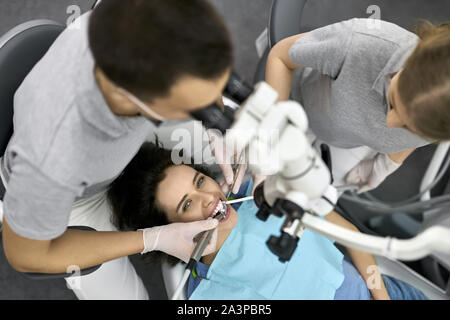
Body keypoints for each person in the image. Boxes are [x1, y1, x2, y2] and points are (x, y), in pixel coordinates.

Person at [0, 0, 234, 299]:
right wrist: (152, 238)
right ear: (148, 102)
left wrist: (220, 128)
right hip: (74, 199)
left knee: (244, 141)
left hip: (121, 141)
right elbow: (27, 255)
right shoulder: (51, 154)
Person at [107, 142, 428, 300]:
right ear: (170, 229)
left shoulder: (262, 193)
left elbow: (353, 237)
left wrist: (381, 295)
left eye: (201, 181)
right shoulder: (204, 294)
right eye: (187, 203)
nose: (209, 199)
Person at [265, 18, 450, 193]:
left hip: (348, 142)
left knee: (315, 197)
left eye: (408, 127)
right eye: (393, 102)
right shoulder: (359, 44)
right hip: (299, 107)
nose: (389, 123)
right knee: (259, 173)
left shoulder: (441, 117)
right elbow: (280, 56)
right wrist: (274, 130)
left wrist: (387, 164)